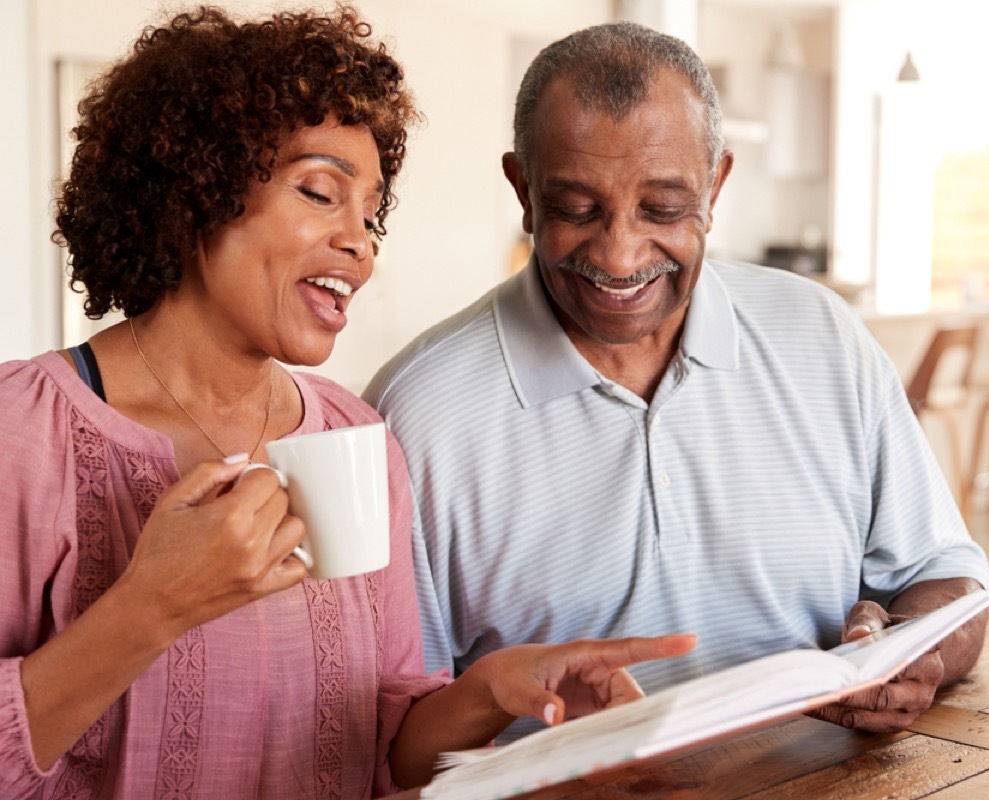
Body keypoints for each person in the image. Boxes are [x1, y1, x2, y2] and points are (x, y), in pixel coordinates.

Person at [0, 9, 697, 798]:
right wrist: (152, 607)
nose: (361, 242)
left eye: (370, 214)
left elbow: (387, 751)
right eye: (320, 192)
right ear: (196, 189)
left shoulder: (355, 433)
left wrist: (496, 689)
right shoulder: (25, 434)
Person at [364, 20, 989, 740]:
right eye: (575, 209)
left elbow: (948, 578)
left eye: (662, 208)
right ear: (523, 190)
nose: (621, 254)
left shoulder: (823, 338)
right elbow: (391, 738)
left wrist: (915, 651)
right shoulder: (416, 414)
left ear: (716, 183)